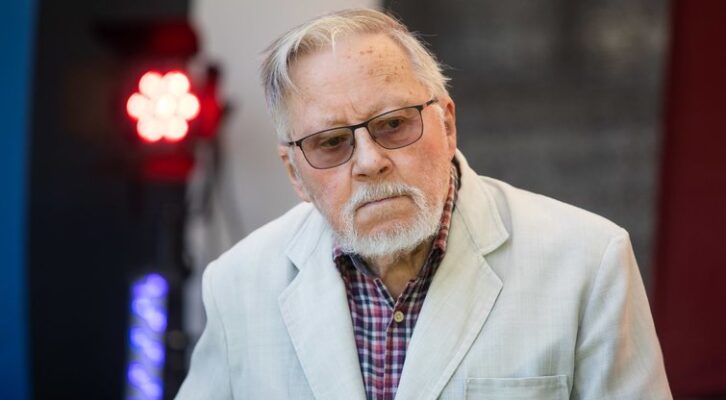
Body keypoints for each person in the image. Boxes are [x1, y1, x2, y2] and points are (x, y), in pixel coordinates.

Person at [176, 8, 671, 400]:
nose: (370, 161)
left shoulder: (587, 262)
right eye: (331, 143)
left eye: (393, 124)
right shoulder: (237, 284)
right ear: (295, 174)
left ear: (447, 125)